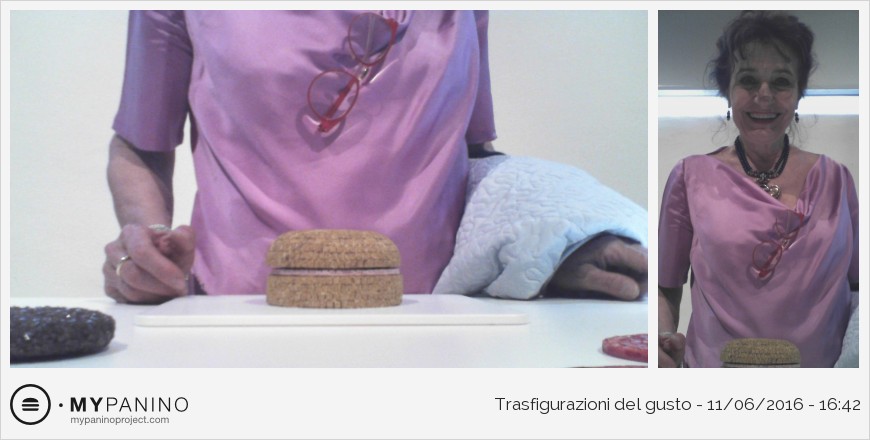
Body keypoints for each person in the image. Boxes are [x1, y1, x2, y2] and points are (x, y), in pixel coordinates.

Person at [103, 11, 648, 304]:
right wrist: (149, 245)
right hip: (237, 314)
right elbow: (141, 145)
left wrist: (547, 250)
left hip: (435, 320)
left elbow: (474, 156)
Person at [658, 11, 858, 367]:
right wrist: (661, 342)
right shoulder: (690, 177)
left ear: (798, 95)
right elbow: (665, 286)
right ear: (728, 92)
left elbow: (859, 288)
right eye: (748, 80)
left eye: (781, 82)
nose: (764, 95)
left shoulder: (838, 181)